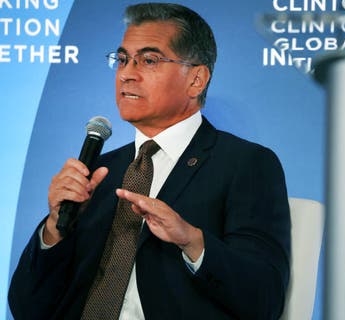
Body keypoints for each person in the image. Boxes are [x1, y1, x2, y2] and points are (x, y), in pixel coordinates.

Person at [8, 3, 291, 319]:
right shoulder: (99, 172)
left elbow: (264, 300)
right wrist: (55, 230)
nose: (127, 74)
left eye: (149, 60)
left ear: (196, 79)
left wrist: (192, 241)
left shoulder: (245, 164)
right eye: (122, 60)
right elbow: (26, 308)